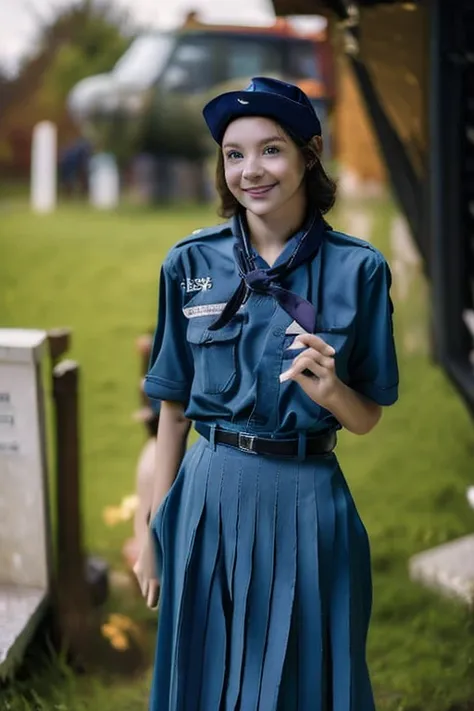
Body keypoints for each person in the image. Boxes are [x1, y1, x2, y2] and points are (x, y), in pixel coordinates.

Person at [134, 76, 399, 711]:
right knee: (203, 679)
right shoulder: (189, 263)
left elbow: (367, 418)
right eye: (234, 153)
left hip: (306, 501)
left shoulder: (359, 269)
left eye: (271, 149)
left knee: (303, 681)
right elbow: (172, 409)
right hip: (207, 495)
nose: (251, 171)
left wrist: (333, 391)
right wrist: (155, 531)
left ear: (310, 154)